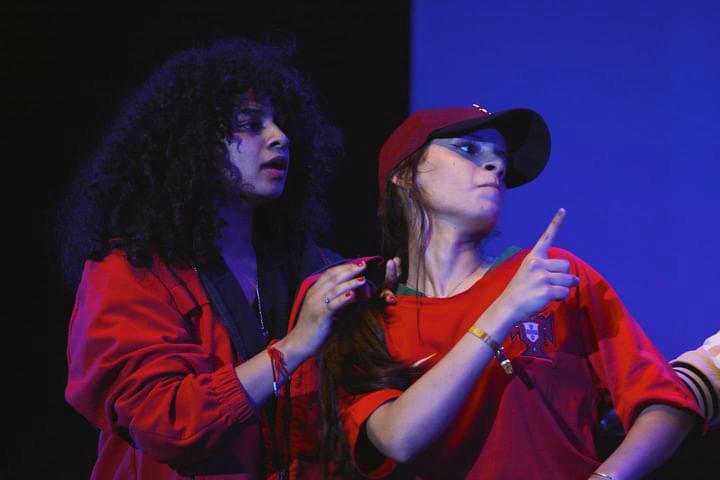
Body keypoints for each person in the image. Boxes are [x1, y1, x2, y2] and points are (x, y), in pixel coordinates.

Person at [295, 105, 704, 479]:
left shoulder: (550, 276)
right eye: (468, 149)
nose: (495, 165)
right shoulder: (372, 316)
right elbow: (396, 438)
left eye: (500, 160)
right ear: (404, 174)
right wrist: (503, 310)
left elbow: (664, 405)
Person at [62, 39, 396, 479]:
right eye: (250, 124)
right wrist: (294, 346)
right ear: (195, 144)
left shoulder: (305, 263)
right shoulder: (130, 271)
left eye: (279, 123)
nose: (280, 137)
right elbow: (166, 422)